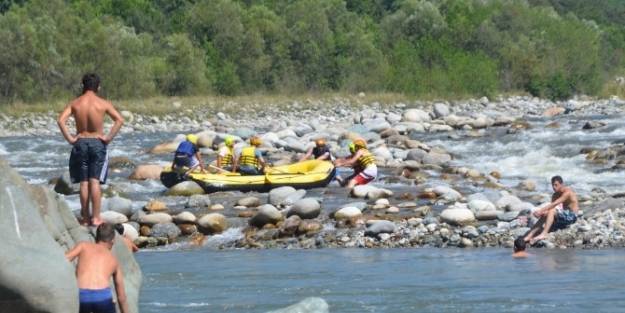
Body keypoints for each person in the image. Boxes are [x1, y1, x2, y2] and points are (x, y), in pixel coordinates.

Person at [58, 73, 124, 226]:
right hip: (97, 142)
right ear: (98, 87)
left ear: (83, 86)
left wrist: (70, 139)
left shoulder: (75, 103)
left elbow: (60, 120)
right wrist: (108, 138)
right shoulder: (103, 103)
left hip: (80, 143)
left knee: (83, 183)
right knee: (94, 182)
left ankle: (86, 219)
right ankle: (96, 218)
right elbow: (119, 120)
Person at [65, 223, 129, 313]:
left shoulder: (83, 246)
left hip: (82, 296)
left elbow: (65, 259)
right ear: (113, 241)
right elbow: (122, 297)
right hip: (103, 297)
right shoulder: (114, 260)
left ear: (96, 238)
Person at [524, 176, 579, 244]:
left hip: (572, 217)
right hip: (563, 217)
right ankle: (529, 235)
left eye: (556, 185)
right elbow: (554, 208)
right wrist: (542, 213)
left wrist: (540, 211)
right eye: (552, 185)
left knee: (551, 210)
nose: (553, 187)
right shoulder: (555, 195)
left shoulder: (567, 192)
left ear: (561, 184)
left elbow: (555, 204)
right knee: (546, 213)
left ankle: (544, 234)